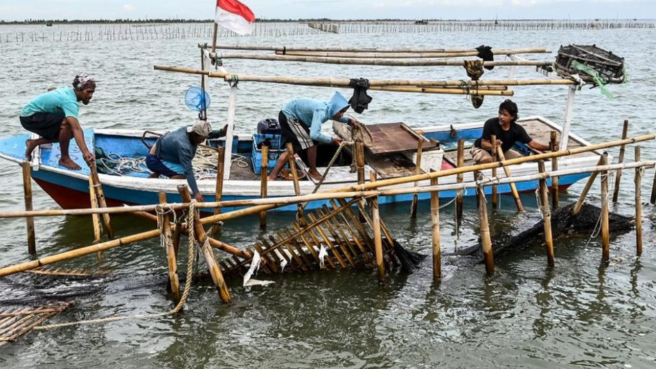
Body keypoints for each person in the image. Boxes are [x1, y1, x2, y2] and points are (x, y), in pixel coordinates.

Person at [268, 91, 360, 181]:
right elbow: (314, 134)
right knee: (312, 142)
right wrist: (331, 140)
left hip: (289, 115)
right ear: (335, 109)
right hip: (289, 117)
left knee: (292, 148)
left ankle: (272, 177)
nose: (341, 114)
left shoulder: (329, 109)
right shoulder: (321, 111)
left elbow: (334, 116)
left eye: (343, 112)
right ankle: (312, 170)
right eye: (341, 112)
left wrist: (349, 121)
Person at [20, 74, 97, 170]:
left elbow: (52, 90)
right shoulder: (70, 102)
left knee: (71, 133)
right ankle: (64, 158)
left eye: (92, 92)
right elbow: (76, 128)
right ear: (79, 90)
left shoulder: (68, 91)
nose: (90, 96)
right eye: (88, 92)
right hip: (29, 118)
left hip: (34, 115)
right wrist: (85, 152)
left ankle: (34, 142)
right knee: (68, 124)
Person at [146, 121, 227, 202]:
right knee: (182, 176)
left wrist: (221, 132)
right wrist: (196, 192)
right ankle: (166, 192)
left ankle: (158, 172)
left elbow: (208, 134)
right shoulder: (184, 146)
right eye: (202, 139)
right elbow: (188, 171)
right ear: (194, 135)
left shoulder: (190, 130)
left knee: (181, 170)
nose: (203, 141)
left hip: (163, 152)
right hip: (154, 159)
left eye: (204, 138)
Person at [470, 99, 557, 164]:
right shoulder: (490, 123)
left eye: (505, 115)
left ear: (512, 117)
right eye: (500, 113)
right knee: (489, 161)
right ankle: (477, 170)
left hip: (502, 151)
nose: (501, 117)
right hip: (481, 149)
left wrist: (549, 147)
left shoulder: (517, 129)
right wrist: (493, 145)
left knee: (519, 160)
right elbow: (484, 144)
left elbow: (532, 144)